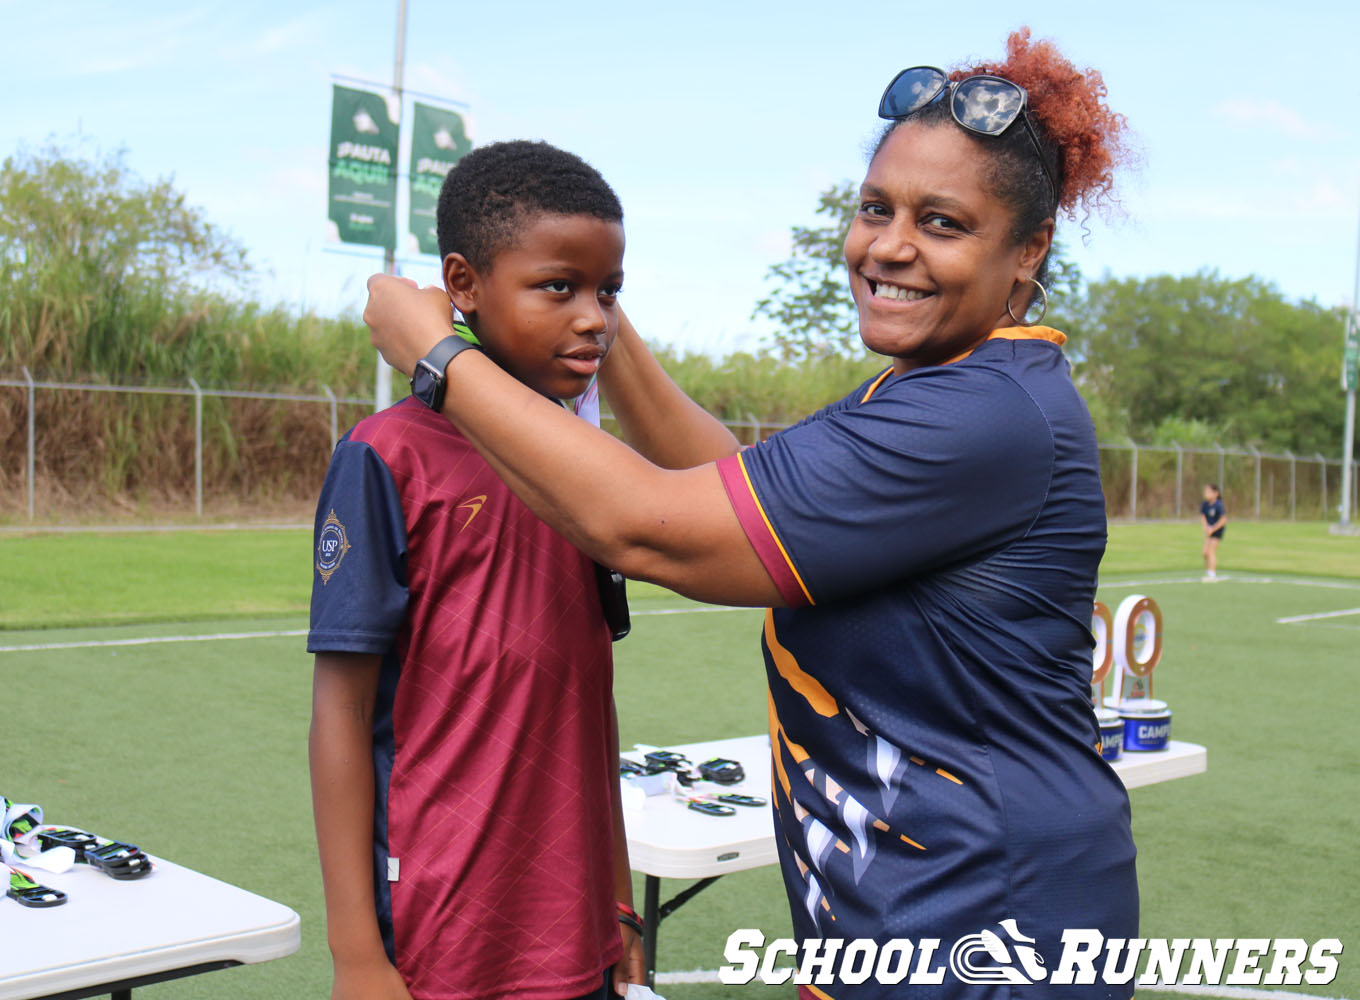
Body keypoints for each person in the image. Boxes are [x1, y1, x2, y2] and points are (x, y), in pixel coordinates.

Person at [363, 30, 1136, 998]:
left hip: (986, 932)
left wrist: (440, 356)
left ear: (1027, 253)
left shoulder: (978, 416)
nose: (888, 245)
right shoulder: (931, 390)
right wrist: (588, 302)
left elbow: (644, 524)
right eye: (874, 208)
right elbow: (734, 480)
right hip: (896, 928)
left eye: (940, 223)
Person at [308, 140, 643, 1000]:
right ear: (462, 286)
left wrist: (619, 903)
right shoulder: (385, 457)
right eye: (558, 287)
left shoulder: (591, 469)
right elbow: (341, 712)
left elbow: (589, 698)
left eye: (609, 292)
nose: (593, 318)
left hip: (576, 928)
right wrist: (355, 954)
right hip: (440, 926)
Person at [1200, 483, 1227, 581]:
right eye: (1205, 491)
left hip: (1217, 531)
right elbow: (1203, 516)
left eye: (1208, 492)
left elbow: (1223, 520)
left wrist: (1213, 529)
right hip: (1208, 531)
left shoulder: (1219, 505)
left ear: (1215, 493)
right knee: (1204, 552)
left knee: (1211, 551)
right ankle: (1208, 570)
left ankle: (1212, 574)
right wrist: (1206, 527)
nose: (1206, 494)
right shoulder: (1205, 504)